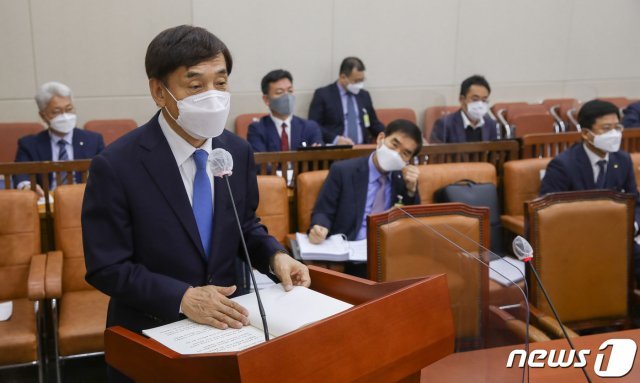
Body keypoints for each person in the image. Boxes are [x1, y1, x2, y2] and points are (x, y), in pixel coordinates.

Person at [81, 25, 310, 381]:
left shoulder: (237, 150)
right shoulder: (116, 165)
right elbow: (107, 266)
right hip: (153, 335)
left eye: (220, 83)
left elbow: (244, 224)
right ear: (159, 92)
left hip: (229, 330)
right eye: (195, 85)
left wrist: (274, 255)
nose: (212, 95)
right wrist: (182, 297)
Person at [540, 99, 640, 284]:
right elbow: (548, 211)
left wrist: (633, 225)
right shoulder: (563, 165)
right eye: (606, 128)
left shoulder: (623, 159)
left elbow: (635, 200)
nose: (614, 134)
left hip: (617, 235)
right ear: (586, 133)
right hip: (578, 238)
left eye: (617, 127)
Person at [308, 119, 422, 276]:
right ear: (381, 138)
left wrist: (411, 191)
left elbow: (413, 226)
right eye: (394, 144)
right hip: (350, 253)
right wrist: (319, 226)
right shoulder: (343, 171)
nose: (396, 154)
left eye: (405, 153)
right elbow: (323, 211)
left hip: (387, 253)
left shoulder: (404, 179)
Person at [14, 81, 105, 195]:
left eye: (69, 109)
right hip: (46, 203)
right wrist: (26, 186)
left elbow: (105, 173)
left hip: (84, 201)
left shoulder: (94, 140)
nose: (65, 116)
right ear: (43, 115)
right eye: (57, 111)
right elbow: (20, 174)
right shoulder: (29, 144)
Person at [308, 57, 384, 145]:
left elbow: (373, 123)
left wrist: (389, 135)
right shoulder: (323, 95)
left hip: (362, 148)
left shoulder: (364, 95)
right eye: (356, 81)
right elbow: (313, 126)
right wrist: (335, 139)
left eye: (362, 80)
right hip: (336, 150)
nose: (360, 85)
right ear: (343, 77)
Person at [247, 69, 322, 152]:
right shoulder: (257, 129)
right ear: (266, 99)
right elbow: (260, 162)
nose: (287, 96)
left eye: (290, 91)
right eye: (279, 92)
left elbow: (319, 161)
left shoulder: (310, 127)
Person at [429, 75, 498, 144]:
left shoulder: (491, 124)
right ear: (462, 99)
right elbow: (436, 153)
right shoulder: (445, 124)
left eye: (484, 100)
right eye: (475, 99)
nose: (480, 105)